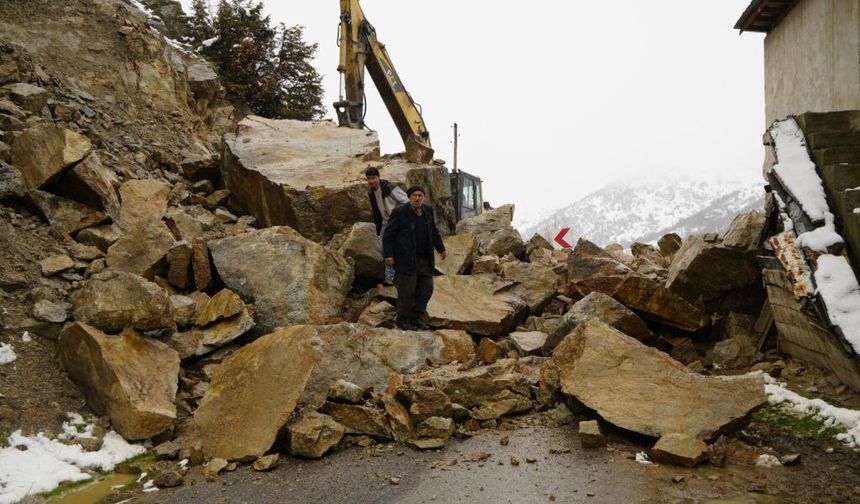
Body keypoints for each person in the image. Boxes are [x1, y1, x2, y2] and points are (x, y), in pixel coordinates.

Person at [383, 185, 447, 330]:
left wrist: (441, 248)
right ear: (409, 197)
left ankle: (416, 317)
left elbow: (433, 231)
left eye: (420, 196)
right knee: (407, 291)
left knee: (426, 289)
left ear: (423, 197)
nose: (417, 198)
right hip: (406, 259)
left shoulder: (427, 210)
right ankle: (403, 319)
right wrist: (388, 255)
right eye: (414, 195)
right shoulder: (400, 212)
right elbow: (388, 235)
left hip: (425, 259)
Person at [366, 166, 408, 286]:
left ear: (379, 177)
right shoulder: (371, 192)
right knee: (383, 248)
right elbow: (376, 212)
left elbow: (405, 201)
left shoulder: (389, 187)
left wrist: (396, 215)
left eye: (373, 178)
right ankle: (392, 276)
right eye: (369, 179)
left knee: (399, 248)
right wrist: (378, 229)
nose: (371, 181)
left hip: (397, 222)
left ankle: (391, 277)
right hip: (385, 223)